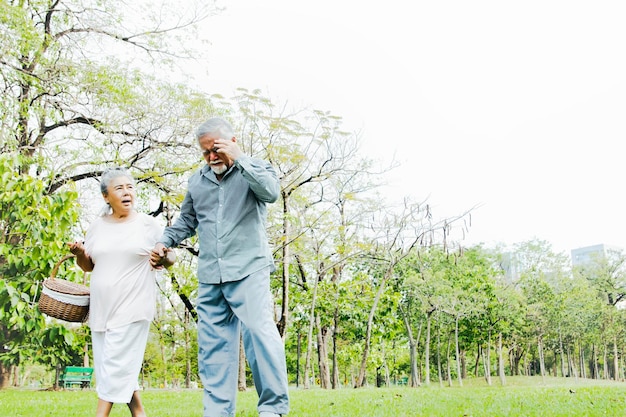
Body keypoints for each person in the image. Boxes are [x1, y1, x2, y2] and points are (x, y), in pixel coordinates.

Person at [150, 117, 289, 417]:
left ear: (233, 142)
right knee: (213, 348)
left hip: (249, 268)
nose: (211, 157)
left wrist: (239, 160)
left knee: (259, 334)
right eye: (205, 152)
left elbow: (270, 193)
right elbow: (187, 220)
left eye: (216, 148)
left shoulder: (256, 168)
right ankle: (217, 411)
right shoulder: (197, 180)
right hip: (211, 275)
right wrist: (165, 241)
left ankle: (273, 409)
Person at [68, 167, 174, 417]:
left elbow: (169, 258)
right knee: (113, 368)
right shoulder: (97, 227)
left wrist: (165, 257)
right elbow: (89, 265)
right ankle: (139, 414)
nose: (127, 192)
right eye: (119, 188)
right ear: (106, 197)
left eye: (130, 187)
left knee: (114, 367)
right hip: (103, 310)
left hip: (133, 307)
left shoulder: (147, 224)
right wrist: (80, 254)